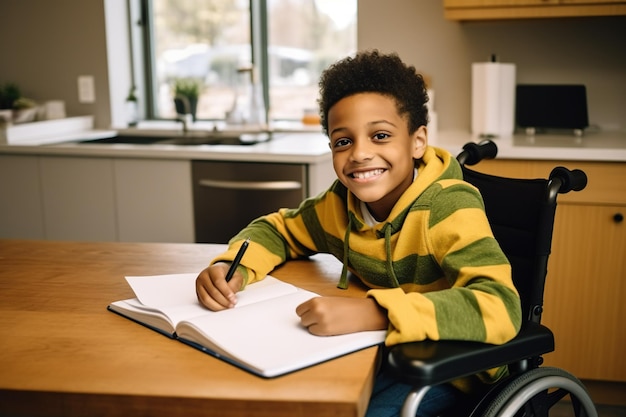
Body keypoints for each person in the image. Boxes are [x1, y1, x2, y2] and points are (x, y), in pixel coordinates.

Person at [195, 50, 521, 417]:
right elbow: (277, 229)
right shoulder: (339, 205)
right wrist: (233, 267)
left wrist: (375, 315)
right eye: (343, 141)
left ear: (418, 141)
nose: (360, 153)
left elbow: (500, 307)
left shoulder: (449, 207)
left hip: (453, 370)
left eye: (380, 135)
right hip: (377, 353)